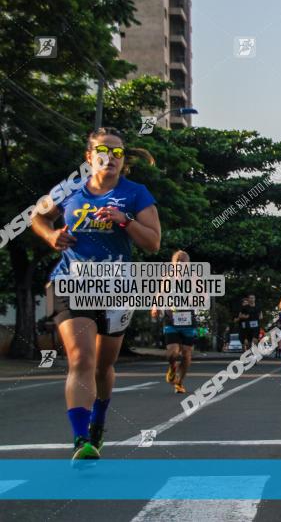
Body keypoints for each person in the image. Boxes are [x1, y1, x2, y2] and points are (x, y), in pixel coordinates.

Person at [31, 127, 161, 461]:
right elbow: (38, 216)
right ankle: (80, 439)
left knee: (104, 366)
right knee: (82, 358)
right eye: (104, 151)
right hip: (70, 281)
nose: (111, 158)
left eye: (118, 152)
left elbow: (153, 242)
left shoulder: (136, 193)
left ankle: (99, 423)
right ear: (90, 157)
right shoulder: (69, 189)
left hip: (115, 284)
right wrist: (50, 236)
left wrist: (125, 220)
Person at [151, 250, 196, 394]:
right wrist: (155, 306)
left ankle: (180, 383)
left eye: (183, 261)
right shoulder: (168, 278)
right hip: (171, 318)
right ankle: (172, 367)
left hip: (189, 319)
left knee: (187, 354)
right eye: (178, 261)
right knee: (172, 353)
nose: (180, 264)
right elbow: (160, 293)